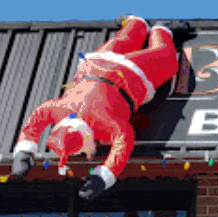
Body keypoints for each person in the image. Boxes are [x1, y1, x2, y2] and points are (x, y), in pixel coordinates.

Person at [11, 15, 189, 201]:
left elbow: (124, 139)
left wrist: (103, 177)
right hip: (95, 63)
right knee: (123, 40)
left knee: (166, 57)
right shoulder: (59, 109)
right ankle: (135, 22)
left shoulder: (103, 123)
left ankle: (161, 30)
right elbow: (38, 116)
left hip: (130, 72)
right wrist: (24, 152)